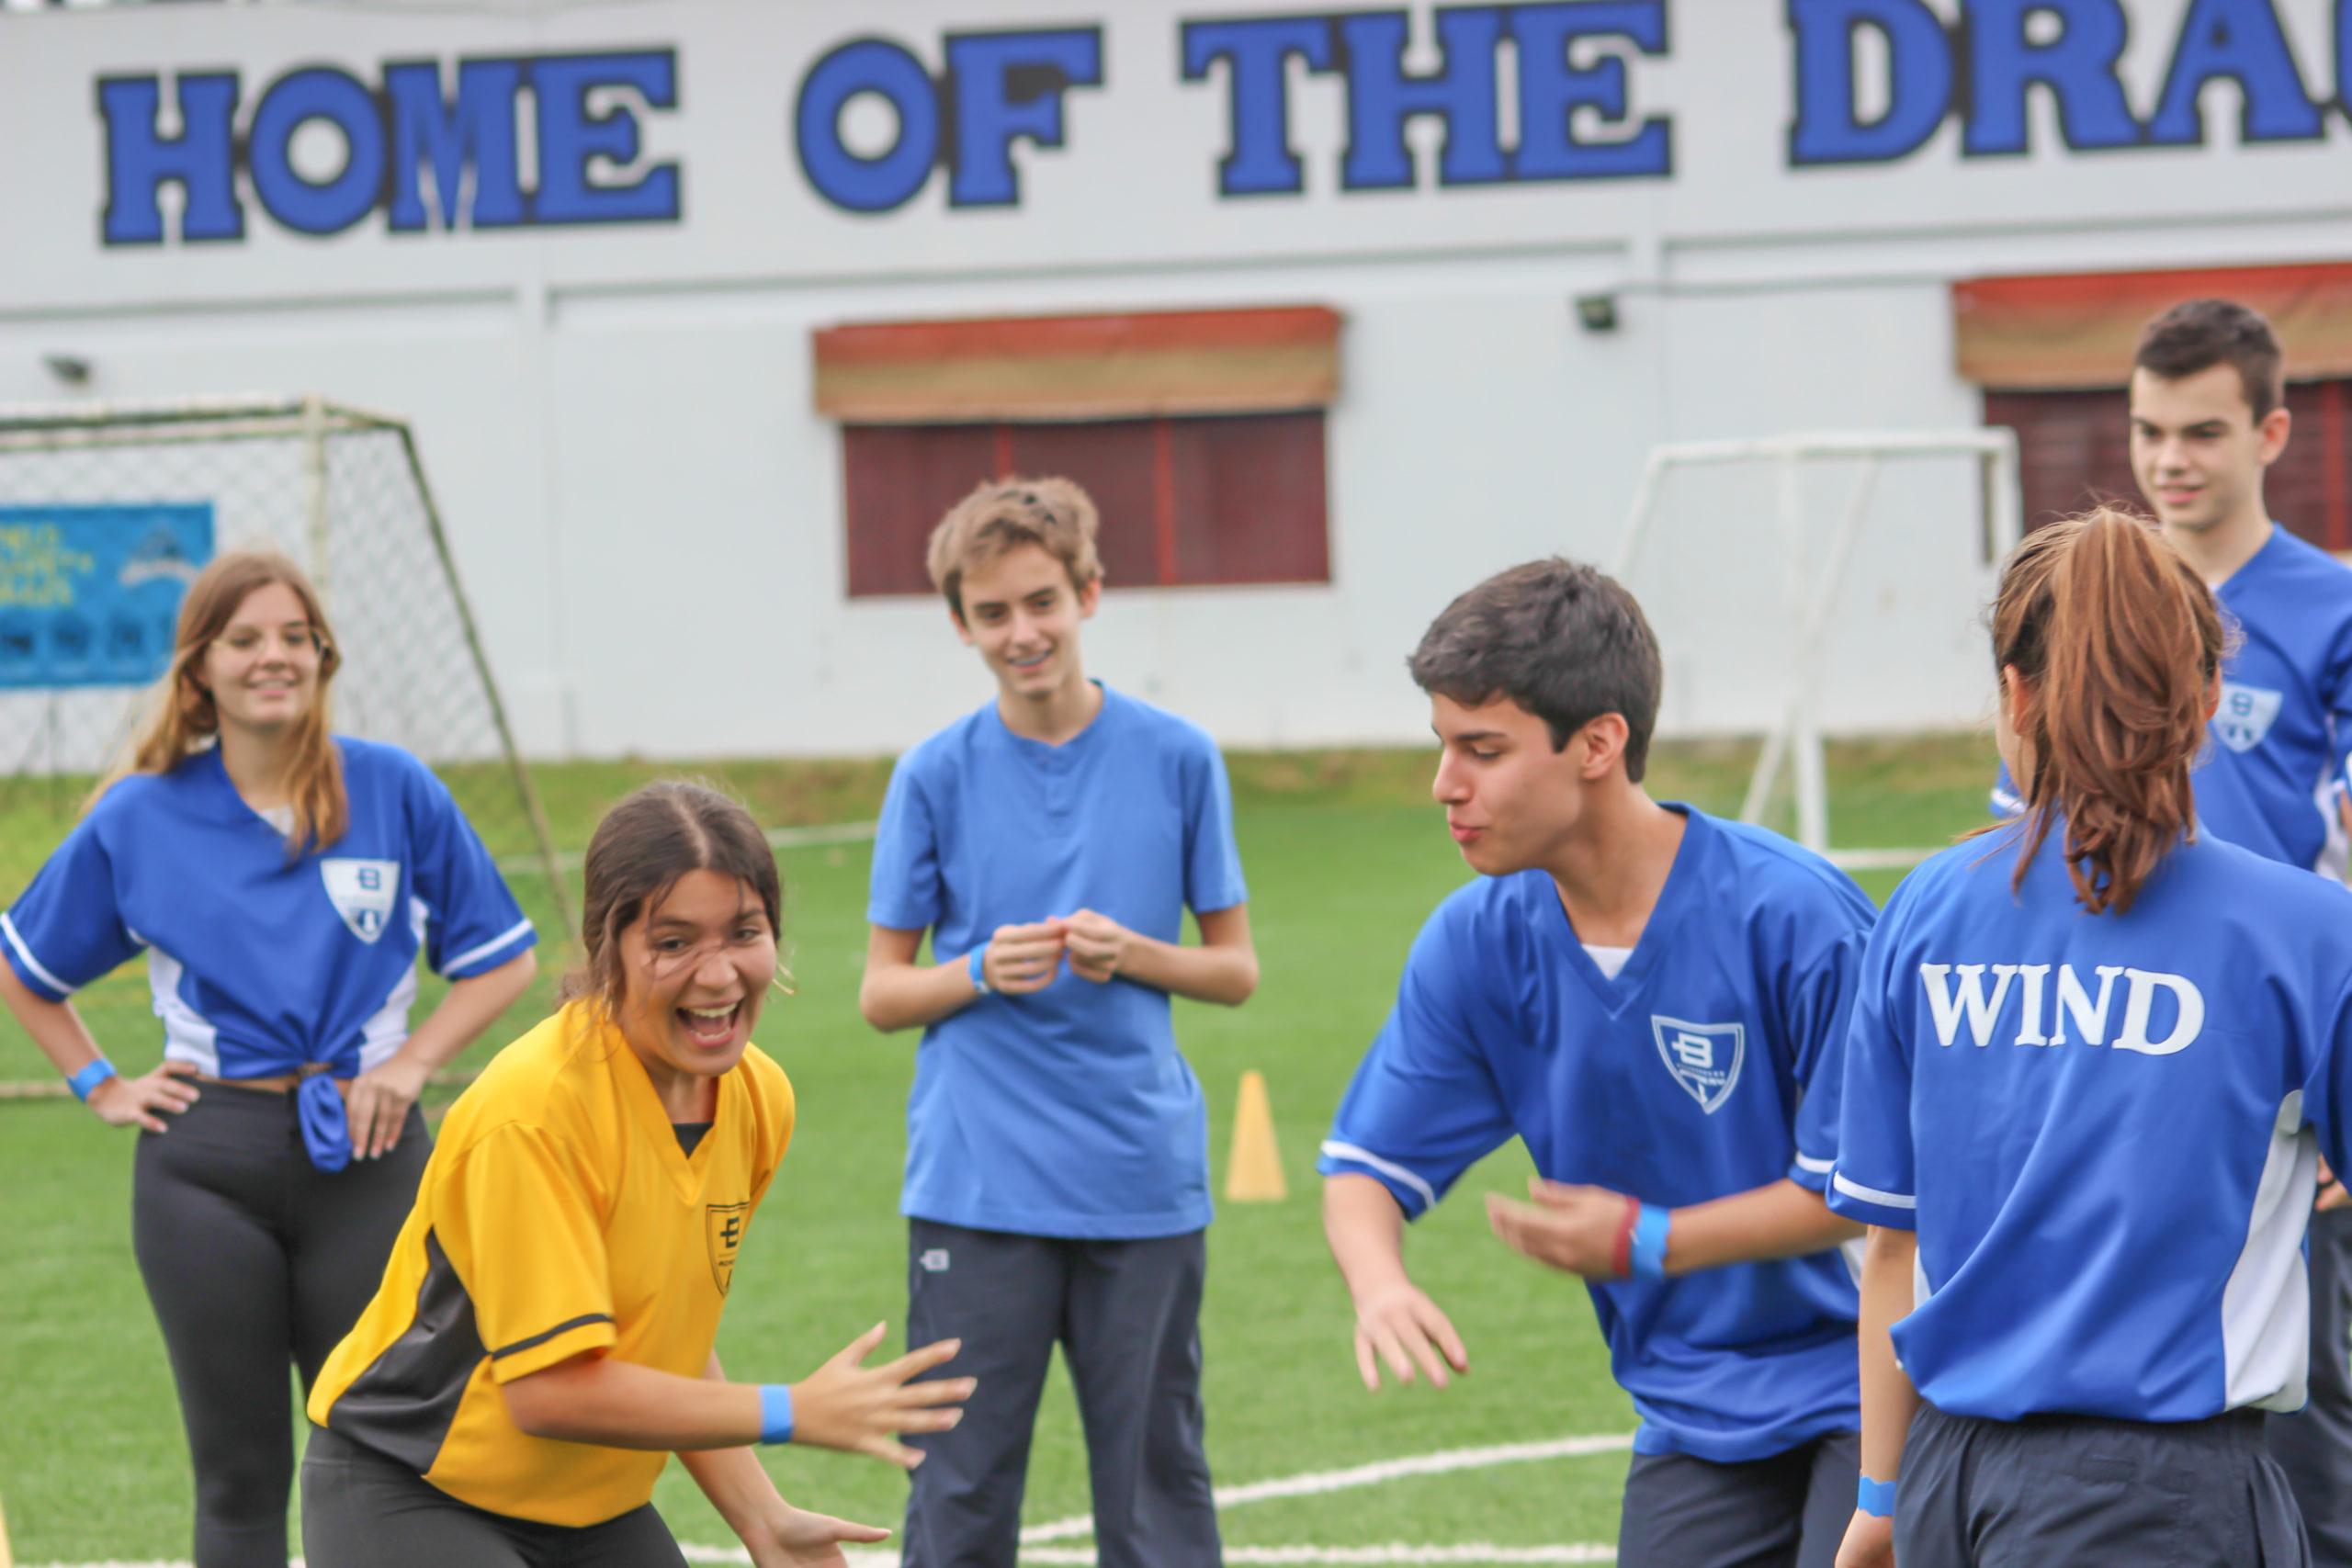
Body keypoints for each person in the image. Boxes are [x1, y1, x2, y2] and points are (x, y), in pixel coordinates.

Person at [1319, 558, 1874, 1568]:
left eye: (1481, 750)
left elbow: (1872, 1191)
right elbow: (1363, 1168)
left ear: (1598, 744)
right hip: (1690, 1406)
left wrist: (1652, 1239)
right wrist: (1379, 1285)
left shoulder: (1792, 916)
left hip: (1870, 1381)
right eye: (1442, 746)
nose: (1445, 786)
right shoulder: (1476, 943)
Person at [1830, 510, 2352, 1568]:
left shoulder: (1924, 909)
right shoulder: (2304, 932)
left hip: (1944, 1479)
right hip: (2166, 1496)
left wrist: (1881, 1503)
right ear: (2206, 702)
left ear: (2015, 696)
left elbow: (1890, 1244)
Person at [0, 550, 538, 1568]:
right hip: (205, 1164)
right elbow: (24, 967)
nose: (273, 658)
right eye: (244, 640)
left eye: (295, 637)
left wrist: (412, 1063)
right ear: (198, 667)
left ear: (323, 656)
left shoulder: (392, 789)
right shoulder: (139, 813)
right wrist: (102, 1086)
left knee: (385, 1458)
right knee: (240, 1480)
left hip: (375, 1157)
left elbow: (501, 962)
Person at [303, 779, 973, 1566]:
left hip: (593, 1509)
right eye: (674, 942)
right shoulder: (536, 1109)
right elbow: (549, 1390)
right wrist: (785, 1409)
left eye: (744, 931)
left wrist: (762, 1515)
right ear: (606, 948)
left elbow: (664, 1333)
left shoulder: (760, 1098)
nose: (719, 975)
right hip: (411, 1487)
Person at [1988, 299, 2352, 1559]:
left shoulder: (2332, 608)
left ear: (2271, 433)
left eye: (2201, 431)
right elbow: (2021, 833)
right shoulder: (2082, 601)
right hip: (2116, 1039)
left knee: (2298, 1395)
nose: (2168, 460)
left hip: (2273, 1050)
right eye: (2148, 431)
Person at [858, 478, 1258, 1568]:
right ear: (959, 623)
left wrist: (1133, 954)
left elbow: (1233, 971)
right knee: (961, 1488)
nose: (1021, 633)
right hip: (977, 1184)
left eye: (1042, 602)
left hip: (1138, 1176)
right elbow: (882, 993)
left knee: (1154, 1489)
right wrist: (981, 969)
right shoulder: (932, 774)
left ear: (1089, 593)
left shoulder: (1179, 756)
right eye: (992, 614)